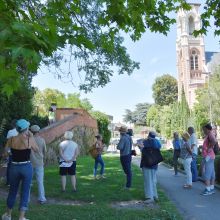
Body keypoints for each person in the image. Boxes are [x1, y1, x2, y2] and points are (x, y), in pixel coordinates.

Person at [2, 119, 39, 220]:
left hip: (14, 167)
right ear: (26, 129)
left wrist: (11, 153)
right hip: (26, 167)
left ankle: (8, 215)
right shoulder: (28, 139)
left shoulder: (11, 139)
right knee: (25, 192)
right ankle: (21, 217)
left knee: (12, 191)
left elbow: (5, 154)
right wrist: (31, 137)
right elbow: (36, 150)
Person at [139, 131, 161, 204]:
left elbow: (142, 150)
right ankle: (155, 196)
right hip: (154, 164)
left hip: (146, 164)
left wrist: (140, 146)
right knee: (153, 180)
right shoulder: (157, 142)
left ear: (148, 136)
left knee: (148, 181)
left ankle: (149, 197)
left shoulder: (146, 142)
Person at [30, 125, 47, 204]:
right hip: (39, 162)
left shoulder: (28, 140)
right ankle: (42, 198)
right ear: (38, 131)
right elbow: (44, 151)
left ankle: (26, 198)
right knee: (40, 182)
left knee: (28, 182)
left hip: (29, 163)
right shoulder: (42, 140)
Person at [201, 123, 216, 196]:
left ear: (207, 129)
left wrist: (209, 148)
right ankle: (211, 188)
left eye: (204, 129)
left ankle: (208, 189)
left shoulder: (210, 134)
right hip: (210, 156)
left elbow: (214, 141)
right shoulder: (210, 134)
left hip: (208, 156)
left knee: (207, 173)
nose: (203, 130)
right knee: (212, 173)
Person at [5, 119, 18, 186]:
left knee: (10, 167)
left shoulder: (10, 132)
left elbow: (7, 143)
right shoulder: (20, 132)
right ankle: (15, 182)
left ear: (12, 125)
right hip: (18, 151)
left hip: (11, 151)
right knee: (17, 166)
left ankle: (8, 182)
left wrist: (8, 151)